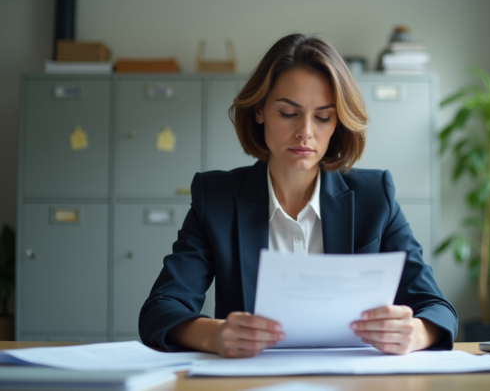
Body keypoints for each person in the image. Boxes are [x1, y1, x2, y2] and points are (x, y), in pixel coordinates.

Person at [139, 33, 457, 358]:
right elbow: (161, 309)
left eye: (322, 117)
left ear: (338, 123)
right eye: (288, 113)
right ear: (260, 111)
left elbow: (436, 307)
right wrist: (215, 335)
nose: (305, 131)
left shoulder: (374, 198)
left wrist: (415, 332)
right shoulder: (216, 199)